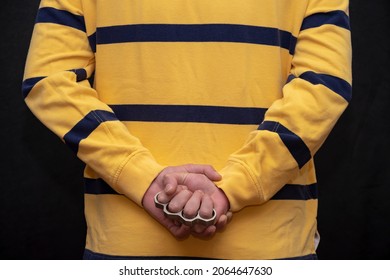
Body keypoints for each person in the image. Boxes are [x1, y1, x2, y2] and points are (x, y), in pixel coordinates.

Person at [22, 0, 352, 259]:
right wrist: (233, 187)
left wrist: (147, 181)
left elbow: (50, 81)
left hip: (127, 243)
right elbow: (322, 88)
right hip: (270, 244)